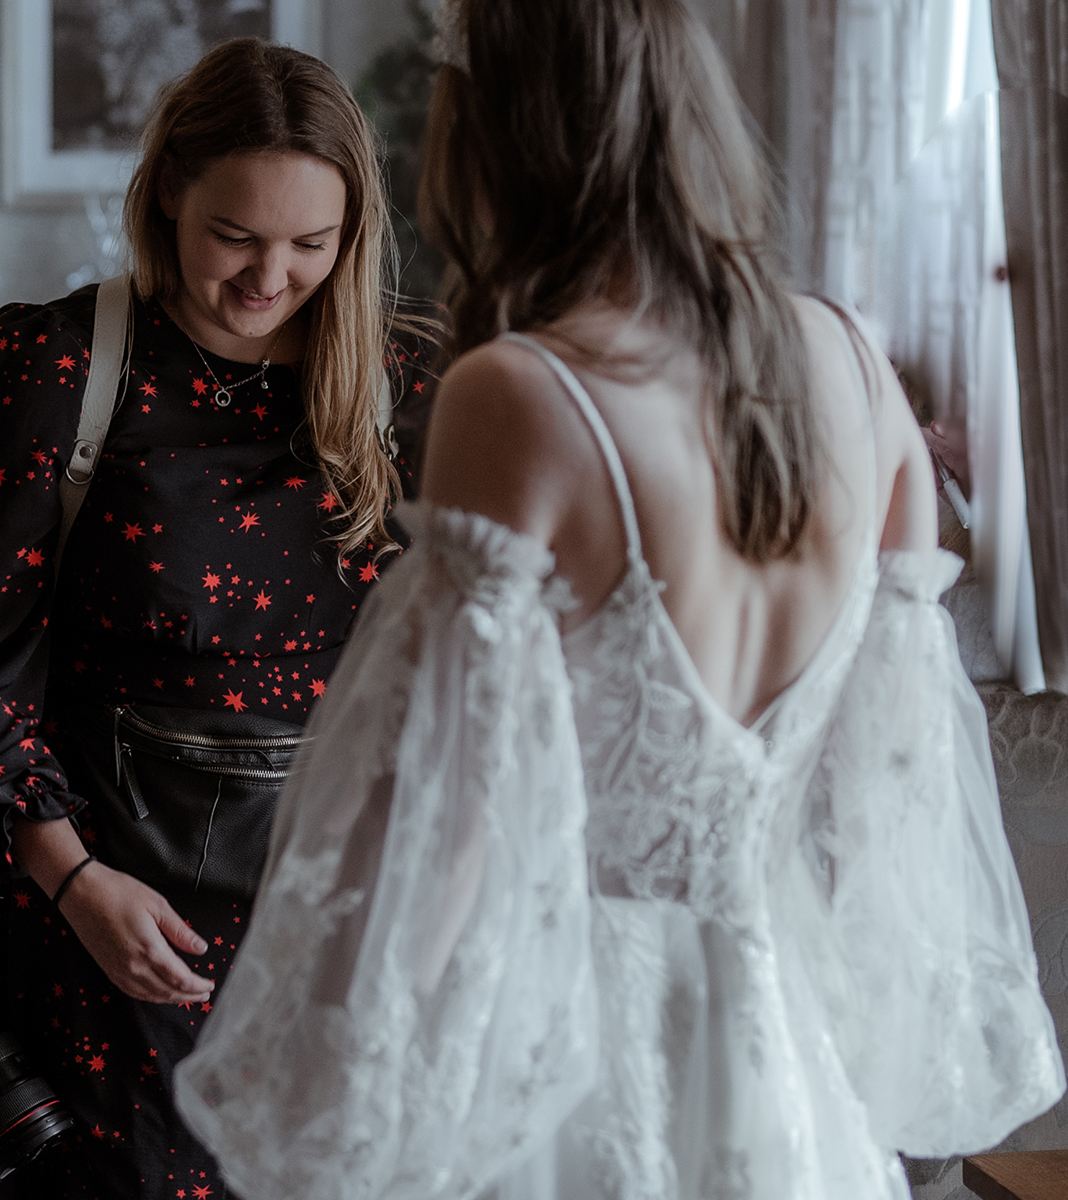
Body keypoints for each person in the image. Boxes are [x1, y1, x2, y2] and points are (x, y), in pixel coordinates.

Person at [175, 2, 1066, 1198]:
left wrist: (341, 1097)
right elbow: (895, 790)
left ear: (493, 135)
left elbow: (438, 821)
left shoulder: (523, 395)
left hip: (570, 1059)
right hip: (787, 1063)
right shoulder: (851, 360)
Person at [0, 37, 439, 1200]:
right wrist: (71, 885)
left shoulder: (411, 381)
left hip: (350, 938)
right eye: (235, 237)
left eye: (312, 245)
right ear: (167, 196)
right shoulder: (56, 365)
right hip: (113, 932)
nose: (271, 277)